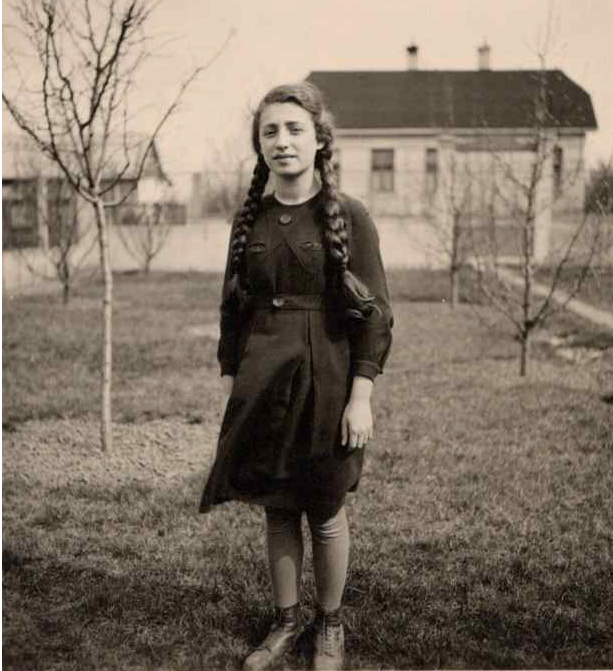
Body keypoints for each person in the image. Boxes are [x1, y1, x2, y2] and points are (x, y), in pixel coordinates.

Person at [200, 81, 393, 671]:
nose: (281, 142)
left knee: (325, 507)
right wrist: (233, 383)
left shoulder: (349, 217)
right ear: (259, 146)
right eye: (269, 132)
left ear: (318, 139)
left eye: (293, 129)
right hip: (263, 378)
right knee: (278, 507)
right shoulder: (249, 219)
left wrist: (361, 396)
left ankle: (329, 624)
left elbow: (376, 315)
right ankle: (286, 621)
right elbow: (233, 310)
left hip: (328, 381)